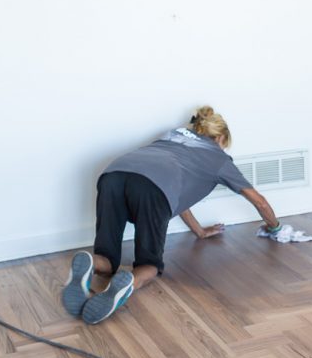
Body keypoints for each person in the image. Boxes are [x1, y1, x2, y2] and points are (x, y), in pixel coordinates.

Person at [62, 106, 282, 324]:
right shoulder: (219, 159)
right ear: (221, 138)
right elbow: (260, 202)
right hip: (152, 188)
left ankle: (91, 262)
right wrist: (276, 228)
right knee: (149, 265)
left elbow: (176, 192)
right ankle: (128, 283)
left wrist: (199, 231)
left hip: (114, 174)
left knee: (108, 259)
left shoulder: (173, 135)